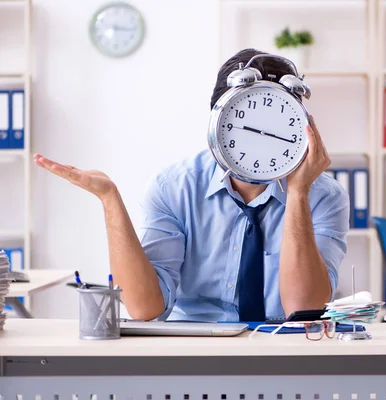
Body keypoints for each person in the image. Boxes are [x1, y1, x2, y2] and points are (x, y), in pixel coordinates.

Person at [34, 48, 350, 322]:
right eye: (247, 125)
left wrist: (298, 192)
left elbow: (303, 309)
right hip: (194, 351)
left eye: (281, 124)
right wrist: (109, 199)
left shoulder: (324, 197)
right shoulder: (174, 187)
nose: (262, 139)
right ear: (220, 120)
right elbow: (146, 309)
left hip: (284, 354)